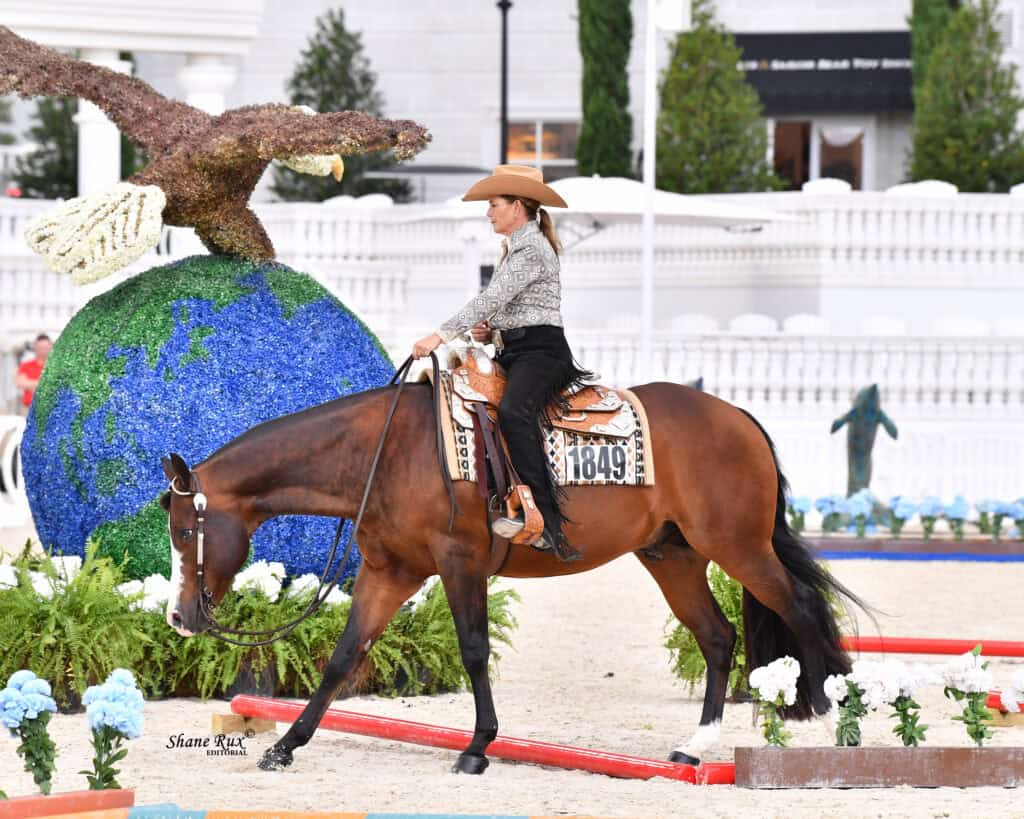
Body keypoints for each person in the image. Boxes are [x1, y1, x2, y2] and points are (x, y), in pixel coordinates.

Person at [412, 165, 591, 562]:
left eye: (494, 205)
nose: (489, 213)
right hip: (515, 352)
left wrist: (440, 335)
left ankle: (545, 521)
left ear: (517, 206)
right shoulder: (515, 249)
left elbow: (489, 300)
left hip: (543, 355)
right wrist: (490, 334)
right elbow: (506, 311)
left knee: (514, 413)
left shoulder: (532, 249)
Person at [16, 334, 52, 416]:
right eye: (40, 347)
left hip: (50, 410)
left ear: (50, 347)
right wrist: (45, 384)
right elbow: (20, 383)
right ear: (35, 347)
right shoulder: (26, 365)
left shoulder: (56, 366)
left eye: (45, 347)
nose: (43, 350)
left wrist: (31, 384)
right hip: (28, 409)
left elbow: (57, 385)